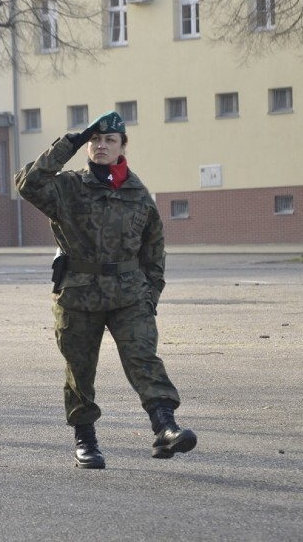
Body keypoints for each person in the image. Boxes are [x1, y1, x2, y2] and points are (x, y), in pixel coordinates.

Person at [15, 111, 197, 469]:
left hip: (129, 294)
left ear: (122, 147)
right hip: (78, 294)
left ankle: (165, 427)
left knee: (143, 359)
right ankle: (86, 439)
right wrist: (69, 143)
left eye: (109, 140)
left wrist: (151, 296)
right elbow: (28, 184)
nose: (101, 145)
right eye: (95, 140)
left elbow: (153, 250)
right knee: (80, 370)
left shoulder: (139, 194)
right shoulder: (66, 187)